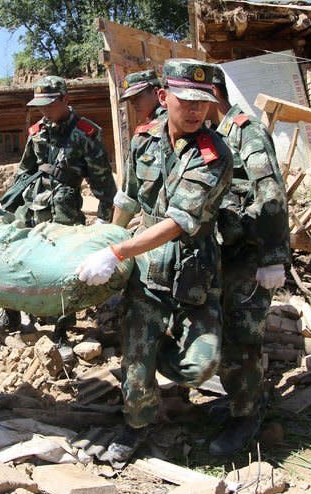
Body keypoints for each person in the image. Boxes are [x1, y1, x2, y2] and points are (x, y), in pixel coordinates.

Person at [76, 59, 234, 462]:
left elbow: (180, 222)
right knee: (135, 361)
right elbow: (127, 198)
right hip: (146, 273)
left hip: (194, 272)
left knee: (200, 366)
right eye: (187, 101)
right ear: (165, 98)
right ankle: (137, 425)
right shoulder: (143, 140)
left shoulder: (214, 155)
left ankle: (158, 359)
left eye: (203, 101)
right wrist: (109, 238)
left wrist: (117, 252)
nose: (197, 110)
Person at [0, 75, 117, 349]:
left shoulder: (85, 133)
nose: (44, 110)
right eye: (40, 105)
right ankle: (10, 316)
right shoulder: (37, 132)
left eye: (49, 104)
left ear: (66, 100)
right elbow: (24, 171)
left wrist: (103, 221)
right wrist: (9, 205)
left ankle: (60, 332)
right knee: (13, 260)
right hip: (30, 210)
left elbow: (103, 182)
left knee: (64, 271)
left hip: (63, 214)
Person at [207, 66, 289, 456]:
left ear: (212, 93)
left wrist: (274, 258)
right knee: (227, 333)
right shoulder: (213, 135)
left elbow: (270, 195)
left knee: (242, 338)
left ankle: (247, 416)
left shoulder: (244, 131)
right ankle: (241, 397)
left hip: (250, 256)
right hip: (225, 253)